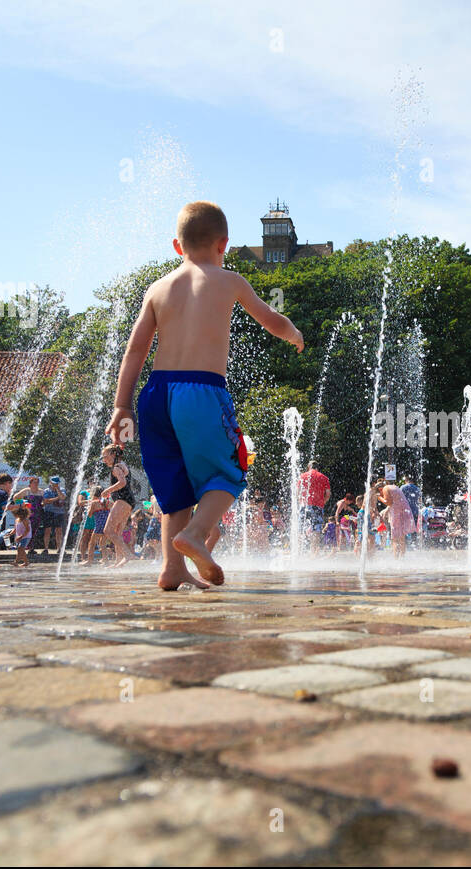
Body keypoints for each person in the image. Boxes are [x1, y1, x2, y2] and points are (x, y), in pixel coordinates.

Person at [107, 201, 304, 589]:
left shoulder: (158, 288)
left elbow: (135, 351)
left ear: (177, 247)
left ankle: (172, 568)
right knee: (231, 467)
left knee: (174, 485)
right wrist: (294, 334)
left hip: (155, 394)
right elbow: (270, 319)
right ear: (224, 245)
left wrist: (121, 405)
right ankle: (196, 534)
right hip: (202, 390)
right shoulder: (229, 280)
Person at [99, 444, 137, 567]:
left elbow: (122, 482)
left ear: (113, 454)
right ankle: (118, 561)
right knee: (117, 532)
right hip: (128, 501)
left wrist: (107, 491)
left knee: (108, 530)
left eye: (105, 456)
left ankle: (127, 554)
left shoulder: (116, 467)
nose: (103, 460)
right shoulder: (122, 465)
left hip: (123, 500)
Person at [10, 475, 47, 554]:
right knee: (26, 530)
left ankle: (31, 548)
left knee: (34, 531)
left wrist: (43, 503)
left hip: (38, 514)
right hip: (27, 514)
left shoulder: (41, 491)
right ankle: (22, 546)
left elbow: (44, 501)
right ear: (30, 483)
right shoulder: (27, 490)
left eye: (37, 482)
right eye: (34, 482)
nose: (36, 484)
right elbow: (15, 497)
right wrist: (23, 503)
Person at [297, 461, 330, 547]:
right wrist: (323, 502)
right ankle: (313, 552)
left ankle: (300, 550)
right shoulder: (323, 477)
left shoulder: (302, 476)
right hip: (318, 506)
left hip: (304, 506)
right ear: (317, 468)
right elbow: (328, 494)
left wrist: (301, 501)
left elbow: (298, 492)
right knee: (316, 529)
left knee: (301, 528)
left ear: (309, 467)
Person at [377, 480, 414, 558]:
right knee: (401, 536)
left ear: (380, 489)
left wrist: (379, 497)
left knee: (395, 537)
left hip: (397, 513)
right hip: (405, 510)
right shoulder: (395, 486)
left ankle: (396, 559)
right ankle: (402, 558)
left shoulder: (386, 488)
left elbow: (388, 502)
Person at [41, 477, 68, 554]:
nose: (55, 484)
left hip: (59, 513)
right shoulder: (47, 491)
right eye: (54, 483)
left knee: (59, 531)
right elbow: (46, 501)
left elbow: (63, 497)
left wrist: (57, 490)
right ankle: (46, 548)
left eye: (57, 483)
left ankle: (59, 548)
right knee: (47, 530)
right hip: (49, 512)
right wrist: (57, 498)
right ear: (50, 482)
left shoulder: (61, 489)